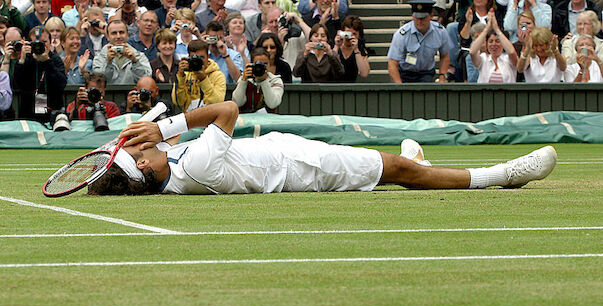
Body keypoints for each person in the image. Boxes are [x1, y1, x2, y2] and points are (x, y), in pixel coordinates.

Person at [86, 101, 558, 196]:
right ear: (146, 165)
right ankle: (502, 175)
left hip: (292, 153)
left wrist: (147, 129)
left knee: (396, 165)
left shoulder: (165, 170)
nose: (141, 145)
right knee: (395, 170)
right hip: (303, 169)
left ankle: (417, 161)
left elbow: (149, 132)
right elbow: (228, 110)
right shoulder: (197, 165)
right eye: (138, 151)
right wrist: (165, 124)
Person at [387, 0, 452, 83]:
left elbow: (445, 56)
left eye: (423, 18)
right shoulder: (402, 34)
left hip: (425, 74)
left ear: (431, 16)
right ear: (412, 17)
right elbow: (392, 63)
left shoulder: (440, 32)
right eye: (417, 18)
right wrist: (399, 86)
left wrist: (442, 77)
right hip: (404, 73)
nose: (419, 21)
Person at [12, 25, 67, 122]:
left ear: (50, 43)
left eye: (44, 42)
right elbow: (16, 83)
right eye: (36, 43)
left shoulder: (55, 59)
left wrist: (47, 61)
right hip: (28, 113)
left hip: (52, 112)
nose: (39, 46)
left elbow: (61, 84)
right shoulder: (27, 59)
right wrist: (22, 59)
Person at [172, 39, 225, 112]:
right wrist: (181, 77)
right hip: (189, 117)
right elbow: (178, 102)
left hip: (210, 117)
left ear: (208, 56)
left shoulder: (217, 75)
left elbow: (217, 103)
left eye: (201, 57)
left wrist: (203, 79)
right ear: (189, 57)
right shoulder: (186, 74)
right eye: (195, 57)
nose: (198, 61)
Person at [92, 19, 152, 84]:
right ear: (107, 36)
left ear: (127, 35)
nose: (118, 36)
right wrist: (108, 62)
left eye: (121, 32)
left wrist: (135, 61)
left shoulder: (139, 56)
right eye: (114, 33)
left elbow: (145, 80)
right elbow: (99, 82)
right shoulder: (99, 58)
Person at [470, 9, 518, 83]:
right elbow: (472, 52)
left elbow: (511, 52)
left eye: (498, 41)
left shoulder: (508, 59)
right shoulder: (483, 59)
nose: (494, 44)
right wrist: (487, 28)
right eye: (490, 41)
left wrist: (496, 29)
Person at [232, 47, 283, 113]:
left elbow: (272, 104)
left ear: (270, 63)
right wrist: (243, 81)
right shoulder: (245, 78)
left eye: (265, 64)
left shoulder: (275, 80)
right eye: (258, 64)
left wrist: (264, 81)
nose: (262, 67)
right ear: (252, 64)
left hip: (268, 120)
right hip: (245, 119)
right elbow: (237, 103)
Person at [264, 7, 311, 75]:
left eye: (277, 21)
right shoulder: (265, 42)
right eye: (271, 22)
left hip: (296, 79)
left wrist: (298, 20)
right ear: (266, 24)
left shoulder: (295, 36)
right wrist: (280, 42)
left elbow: (313, 39)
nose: (274, 25)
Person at [333, 15, 369, 82]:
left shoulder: (360, 50)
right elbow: (330, 66)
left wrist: (356, 50)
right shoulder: (335, 46)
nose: (350, 36)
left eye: (354, 34)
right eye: (348, 33)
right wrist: (336, 46)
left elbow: (364, 73)